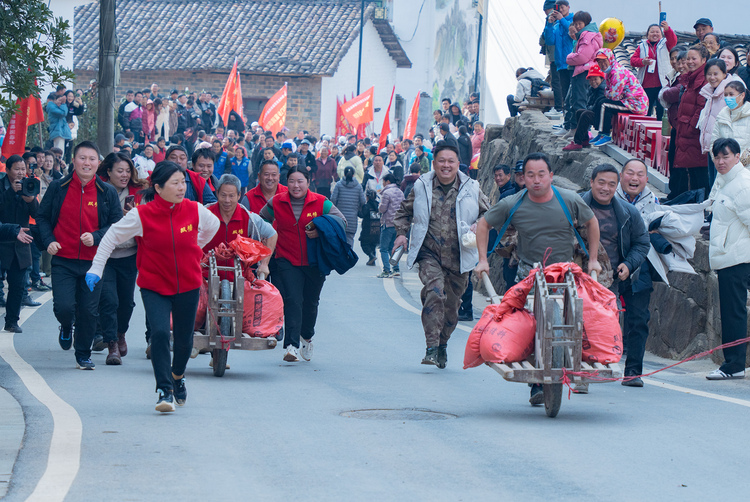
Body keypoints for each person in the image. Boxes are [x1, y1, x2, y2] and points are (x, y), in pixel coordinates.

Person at [87, 161, 220, 411]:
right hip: (154, 285)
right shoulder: (141, 215)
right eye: (176, 183)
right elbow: (111, 237)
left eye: (183, 182)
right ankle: (164, 389)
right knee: (159, 333)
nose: (182, 188)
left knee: (183, 341)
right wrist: (96, 267)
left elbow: (212, 227)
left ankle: (178, 376)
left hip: (188, 284)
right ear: (158, 188)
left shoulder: (195, 209)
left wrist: (194, 247)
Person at [475, 152, 601, 404]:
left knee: (578, 319)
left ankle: (579, 366)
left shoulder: (569, 199)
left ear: (551, 176)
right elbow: (483, 224)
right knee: (531, 327)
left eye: (541, 174)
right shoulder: (513, 203)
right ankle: (536, 385)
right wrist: (482, 259)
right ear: (523, 178)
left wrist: (594, 259)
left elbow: (591, 222)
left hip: (566, 272)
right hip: (528, 273)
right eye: (530, 175)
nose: (536, 180)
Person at [393, 144, 490, 369]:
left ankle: (443, 343)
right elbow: (404, 212)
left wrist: (478, 224)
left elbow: (489, 213)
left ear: (458, 164)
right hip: (429, 253)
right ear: (434, 163)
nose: (446, 165)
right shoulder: (421, 186)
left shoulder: (471, 187)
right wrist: (400, 234)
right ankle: (431, 347)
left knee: (452, 308)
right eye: (441, 161)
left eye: (451, 161)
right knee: (435, 291)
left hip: (460, 256)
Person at [36, 141, 122, 370]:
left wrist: (96, 236)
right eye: (82, 158)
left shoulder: (107, 192)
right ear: (73, 161)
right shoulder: (58, 187)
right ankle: (66, 326)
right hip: (63, 260)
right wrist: (49, 241)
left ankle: (83, 354)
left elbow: (116, 226)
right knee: (64, 307)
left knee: (88, 310)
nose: (87, 163)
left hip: (94, 262)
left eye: (92, 159)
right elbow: (42, 217)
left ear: (98, 163)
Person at [259, 166, 346, 363]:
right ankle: (291, 345)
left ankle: (306, 337)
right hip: (286, 259)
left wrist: (321, 229)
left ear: (308, 183)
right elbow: (260, 220)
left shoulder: (321, 202)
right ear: (286, 182)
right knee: (293, 300)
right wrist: (268, 239)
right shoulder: (277, 202)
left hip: (314, 262)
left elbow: (342, 222)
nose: (296, 185)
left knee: (311, 303)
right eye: (291, 181)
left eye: (300, 181)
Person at [582, 164, 650, 387]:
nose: (605, 188)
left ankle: (632, 373)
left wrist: (629, 265)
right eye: (601, 182)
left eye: (611, 184)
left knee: (635, 320)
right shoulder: (576, 207)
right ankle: (581, 373)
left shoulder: (628, 212)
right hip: (581, 276)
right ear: (591, 182)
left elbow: (642, 243)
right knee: (577, 323)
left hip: (618, 277)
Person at [93, 153, 147, 364]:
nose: (124, 175)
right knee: (109, 301)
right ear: (108, 172)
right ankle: (112, 344)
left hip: (129, 254)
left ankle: (121, 332)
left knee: (126, 302)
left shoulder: (138, 193)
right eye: (119, 171)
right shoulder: (99, 192)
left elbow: (149, 220)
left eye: (127, 171)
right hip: (105, 254)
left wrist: (137, 215)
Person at [705, 138, 750, 380]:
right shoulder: (725, 181)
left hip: (738, 258)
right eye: (717, 157)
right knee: (733, 312)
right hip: (730, 256)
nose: (721, 161)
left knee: (734, 313)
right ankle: (734, 363)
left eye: (726, 156)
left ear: (737, 156)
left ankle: (733, 366)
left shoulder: (742, 185)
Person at [204, 174, 277, 286]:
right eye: (223, 195)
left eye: (231, 196)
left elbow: (272, 234)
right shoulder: (206, 214)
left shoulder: (249, 218)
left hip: (239, 279)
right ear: (217, 193)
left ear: (239, 195)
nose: (227, 200)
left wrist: (264, 264)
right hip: (206, 278)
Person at [0, 156, 39, 332]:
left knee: (18, 284)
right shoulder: (2, 186)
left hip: (21, 243)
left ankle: (12, 321)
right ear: (7, 170)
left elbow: (39, 215)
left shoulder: (29, 186)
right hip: (3, 240)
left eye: (23, 169)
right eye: (17, 169)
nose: (21, 173)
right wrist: (11, 193)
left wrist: (30, 200)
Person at [672, 45, 710, 199]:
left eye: (694, 58)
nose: (690, 62)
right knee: (691, 172)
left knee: (698, 175)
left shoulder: (703, 81)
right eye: (688, 58)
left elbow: (701, 108)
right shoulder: (690, 79)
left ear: (703, 60)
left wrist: (689, 128)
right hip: (686, 132)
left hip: (693, 134)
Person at [589, 48, 649, 147]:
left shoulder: (617, 72)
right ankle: (600, 133)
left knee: (605, 104)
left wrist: (613, 94)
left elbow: (613, 96)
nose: (602, 64)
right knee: (600, 100)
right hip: (627, 101)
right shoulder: (610, 72)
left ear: (610, 59)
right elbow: (608, 92)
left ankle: (605, 134)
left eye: (604, 60)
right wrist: (612, 93)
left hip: (636, 105)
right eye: (599, 62)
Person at [557, 11, 602, 139]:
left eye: (579, 24)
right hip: (581, 70)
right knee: (574, 100)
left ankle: (581, 131)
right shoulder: (584, 35)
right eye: (575, 24)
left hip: (583, 71)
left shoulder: (587, 36)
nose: (577, 26)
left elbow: (582, 57)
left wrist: (568, 58)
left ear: (586, 23)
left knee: (579, 101)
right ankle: (574, 128)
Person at [699, 59, 743, 187]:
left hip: (727, 149)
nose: (712, 77)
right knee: (714, 183)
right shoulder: (709, 91)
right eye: (709, 74)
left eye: (716, 74)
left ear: (724, 74)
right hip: (713, 146)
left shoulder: (731, 93)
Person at [630, 21, 677, 120]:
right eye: (652, 32)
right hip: (646, 84)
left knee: (662, 110)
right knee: (645, 110)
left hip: (662, 83)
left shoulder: (665, 43)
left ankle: (660, 132)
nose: (655, 34)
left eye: (657, 32)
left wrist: (667, 29)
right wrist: (643, 62)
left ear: (661, 34)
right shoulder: (642, 46)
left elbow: (673, 41)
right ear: (647, 34)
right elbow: (633, 61)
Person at [563, 65, 607, 151]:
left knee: (586, 114)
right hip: (597, 114)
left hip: (603, 118)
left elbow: (597, 107)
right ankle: (584, 139)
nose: (593, 82)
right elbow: (589, 104)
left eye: (595, 79)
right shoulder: (592, 89)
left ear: (601, 79)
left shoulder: (603, 90)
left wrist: (589, 109)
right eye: (591, 79)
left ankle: (577, 142)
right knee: (579, 111)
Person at [543, 0, 574, 117]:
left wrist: (561, 19)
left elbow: (572, 33)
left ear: (568, 7)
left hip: (572, 63)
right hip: (560, 63)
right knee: (564, 92)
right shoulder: (556, 25)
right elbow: (550, 41)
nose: (560, 10)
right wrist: (549, 24)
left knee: (573, 94)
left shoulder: (573, 21)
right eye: (558, 8)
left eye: (562, 7)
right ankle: (566, 121)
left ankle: (571, 121)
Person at [711, 81, 750, 159]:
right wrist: (719, 161)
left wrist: (743, 162)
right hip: (725, 167)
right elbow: (713, 142)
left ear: (742, 95)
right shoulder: (722, 116)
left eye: (731, 94)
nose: (728, 97)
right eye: (725, 95)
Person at [377, 174, 405, 278]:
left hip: (388, 223)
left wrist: (379, 206)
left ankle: (386, 270)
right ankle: (396, 268)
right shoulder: (400, 192)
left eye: (383, 182)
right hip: (398, 224)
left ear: (387, 181)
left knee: (384, 248)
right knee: (393, 247)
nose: (383, 184)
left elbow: (383, 209)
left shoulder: (386, 193)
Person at [331, 166, 365, 247]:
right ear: (353, 174)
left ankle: (340, 258)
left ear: (344, 174)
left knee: (339, 240)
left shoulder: (338, 185)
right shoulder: (358, 186)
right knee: (349, 240)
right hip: (352, 219)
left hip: (339, 218)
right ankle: (349, 257)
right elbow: (363, 201)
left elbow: (333, 199)